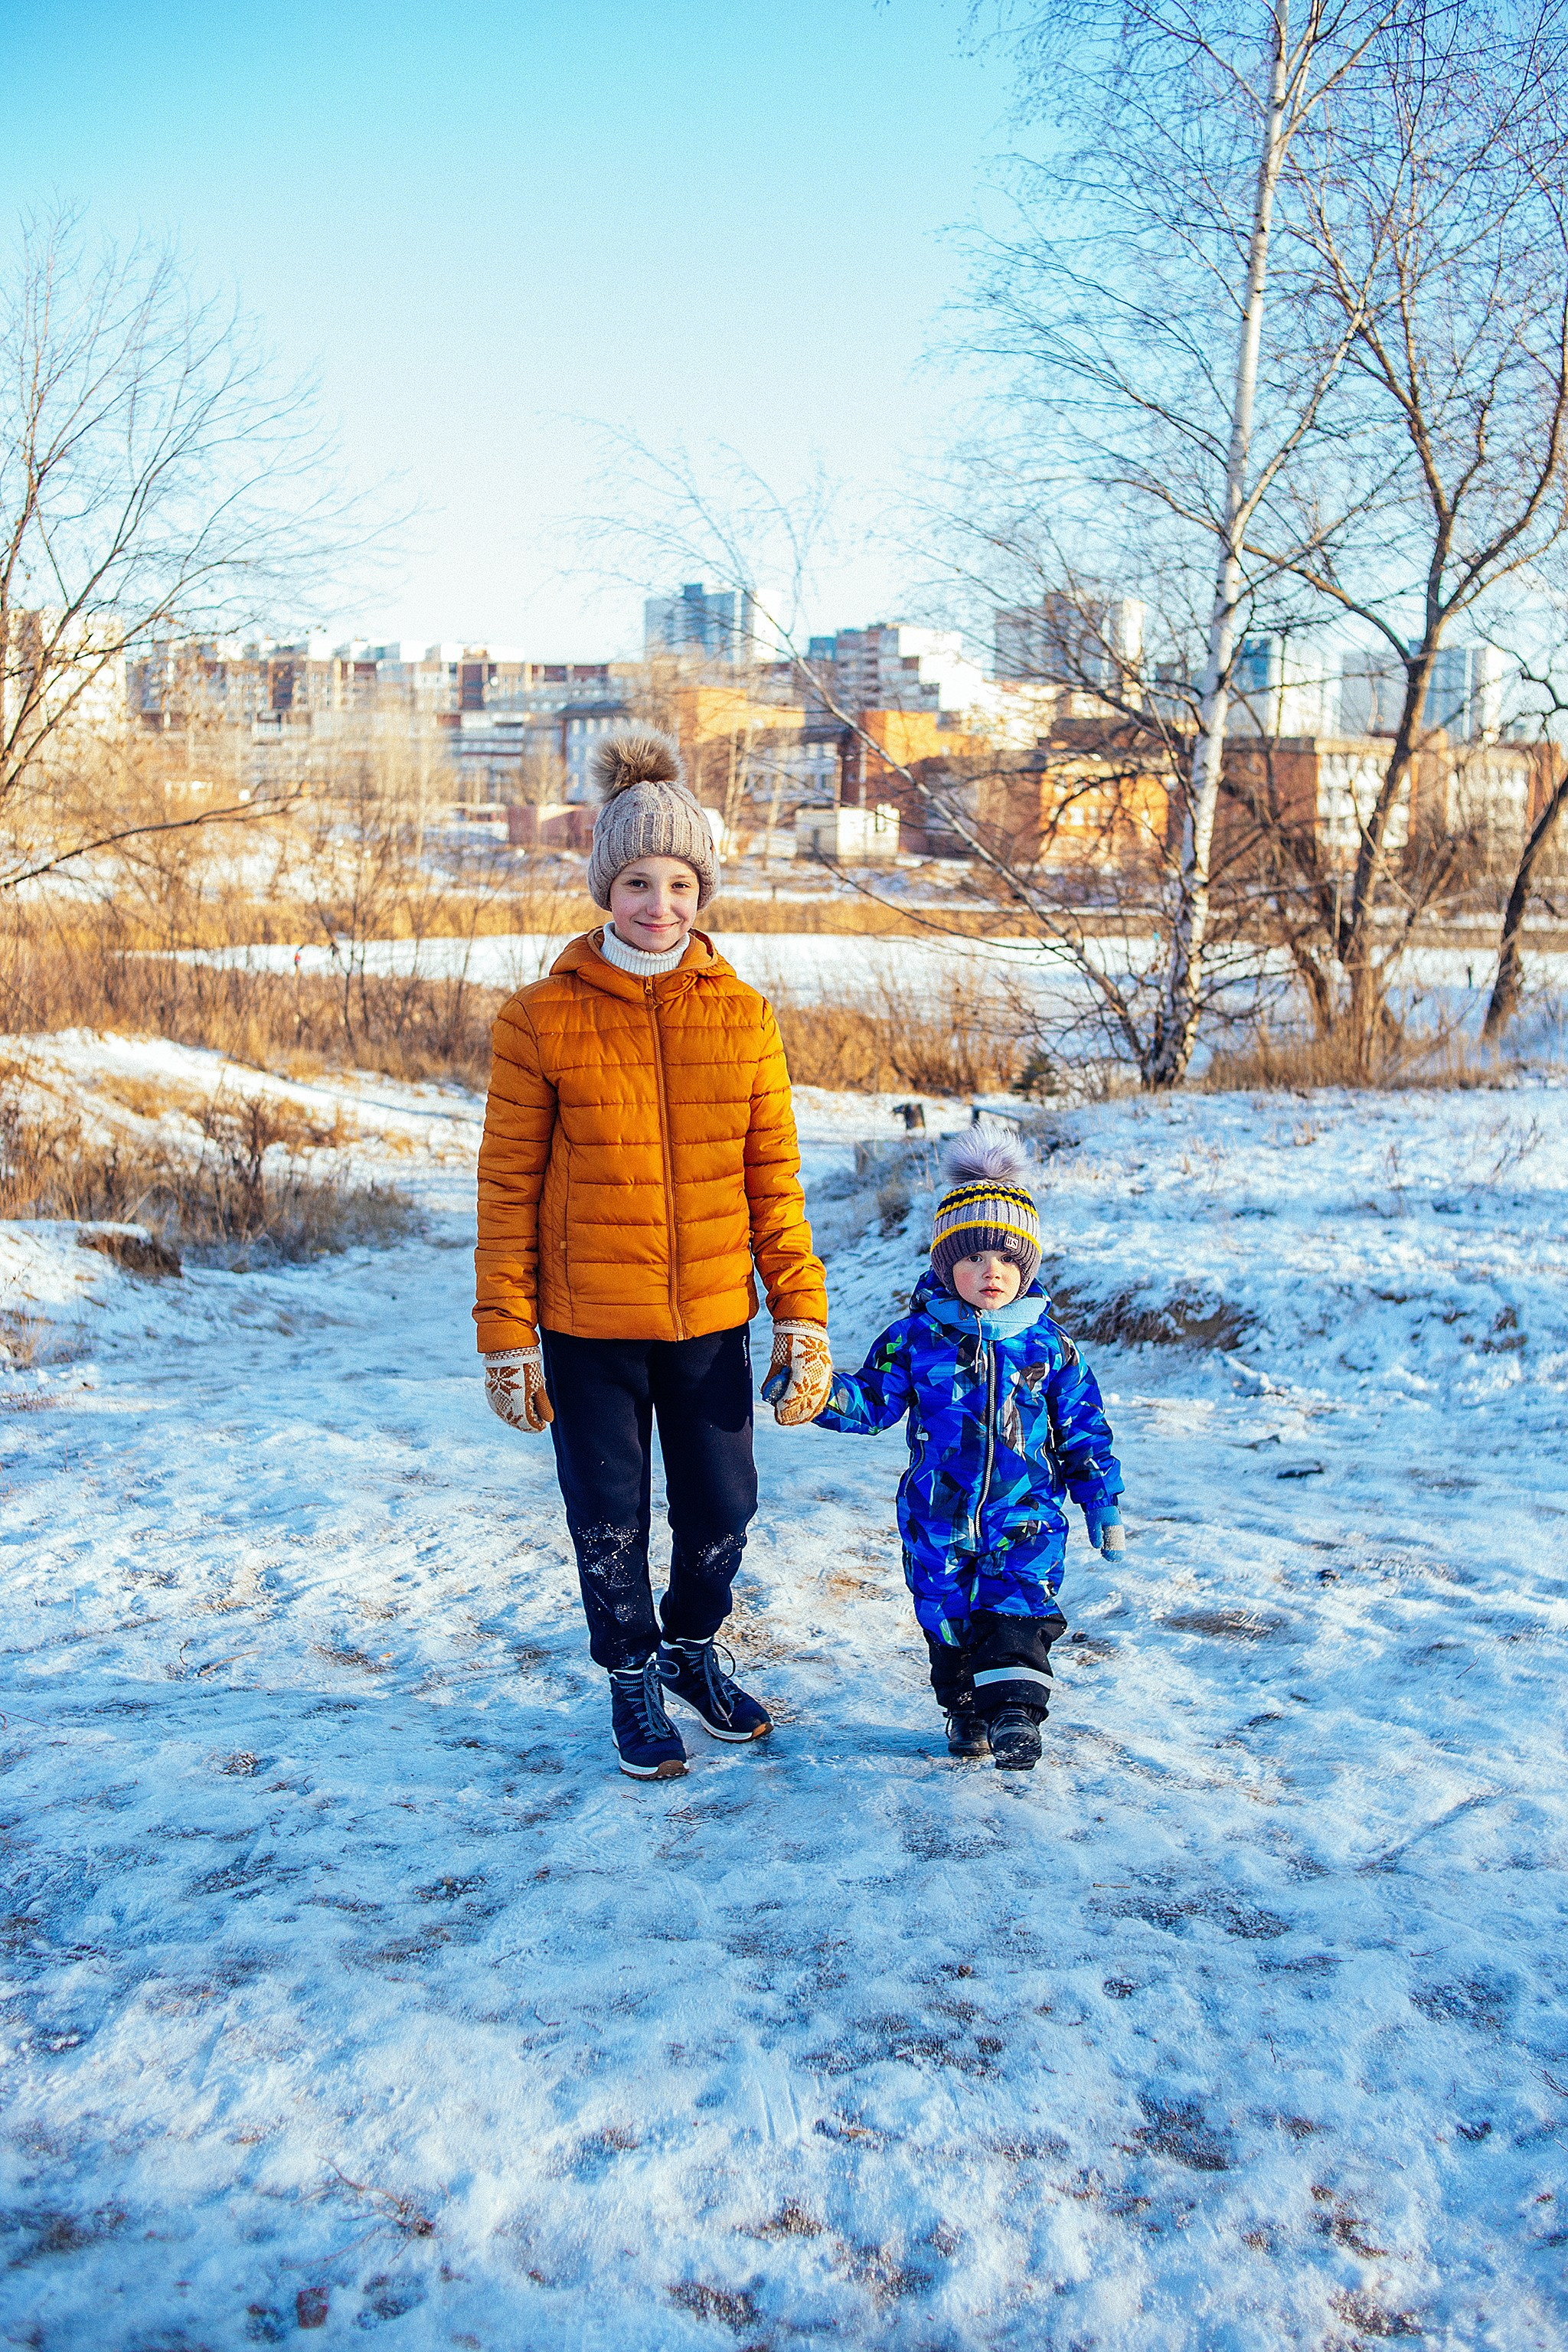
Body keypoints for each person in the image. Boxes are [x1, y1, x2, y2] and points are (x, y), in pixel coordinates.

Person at [474, 730, 833, 1780]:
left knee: (725, 1506)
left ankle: (690, 1644)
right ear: (605, 886)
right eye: (638, 880)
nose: (659, 903)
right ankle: (631, 1675)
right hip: (587, 1328)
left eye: (680, 881)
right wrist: (508, 1334)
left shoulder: (745, 1018)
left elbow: (776, 1182)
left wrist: (801, 1315)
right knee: (609, 1517)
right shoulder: (538, 1019)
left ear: (702, 889)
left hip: (714, 1316)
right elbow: (506, 1190)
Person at [812, 1133, 1124, 1772]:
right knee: (948, 1626)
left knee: (1018, 1615)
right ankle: (965, 1710)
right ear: (945, 1264)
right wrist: (817, 1394)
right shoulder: (916, 1339)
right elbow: (871, 1402)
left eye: (1008, 1260)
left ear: (1027, 1268)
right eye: (975, 1257)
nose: (992, 1272)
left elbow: (1085, 1429)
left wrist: (1102, 1501)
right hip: (937, 1520)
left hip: (1026, 1516)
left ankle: (1015, 1714)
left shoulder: (1049, 1348)